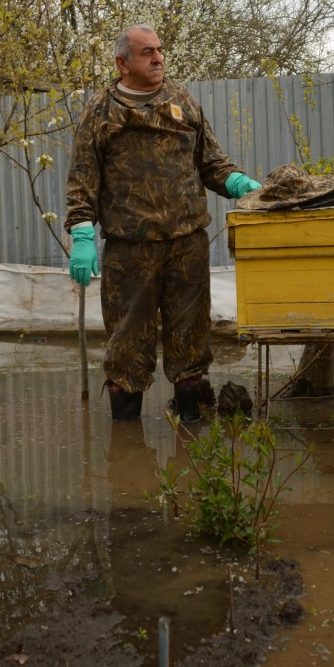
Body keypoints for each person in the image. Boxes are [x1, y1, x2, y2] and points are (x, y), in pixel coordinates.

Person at [65, 25, 260, 421]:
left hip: (186, 242)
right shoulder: (100, 110)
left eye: (160, 50)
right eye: (147, 52)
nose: (158, 58)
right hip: (129, 247)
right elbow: (83, 178)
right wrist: (81, 232)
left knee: (190, 338)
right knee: (126, 345)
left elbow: (210, 162)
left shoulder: (181, 100)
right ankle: (127, 440)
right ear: (122, 63)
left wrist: (240, 184)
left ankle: (190, 424)